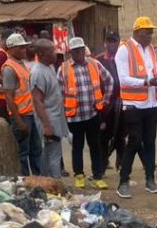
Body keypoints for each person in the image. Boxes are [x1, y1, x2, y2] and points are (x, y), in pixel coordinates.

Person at [114, 16, 157, 199]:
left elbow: (155, 74)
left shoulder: (150, 49)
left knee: (150, 143)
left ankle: (150, 179)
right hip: (133, 104)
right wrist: (145, 82)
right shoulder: (124, 50)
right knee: (134, 141)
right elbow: (123, 78)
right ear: (136, 32)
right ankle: (123, 182)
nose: (150, 36)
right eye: (146, 32)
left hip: (151, 104)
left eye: (151, 32)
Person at [60, 36, 114, 189]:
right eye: (76, 51)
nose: (79, 53)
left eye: (81, 50)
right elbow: (59, 92)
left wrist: (106, 100)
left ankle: (97, 176)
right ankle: (79, 176)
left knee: (95, 146)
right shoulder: (63, 69)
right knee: (77, 147)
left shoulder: (94, 64)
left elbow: (109, 80)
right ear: (71, 52)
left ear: (84, 50)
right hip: (74, 117)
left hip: (92, 114)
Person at [1, 33, 42, 175]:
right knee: (23, 154)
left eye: (24, 48)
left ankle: (38, 180)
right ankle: (25, 182)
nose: (23, 51)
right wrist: (19, 122)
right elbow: (9, 97)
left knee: (36, 150)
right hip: (22, 117)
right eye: (20, 48)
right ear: (11, 49)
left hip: (30, 114)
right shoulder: (9, 69)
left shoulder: (20, 64)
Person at [29, 39, 69, 178]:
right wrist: (46, 126)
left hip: (55, 117)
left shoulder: (49, 67)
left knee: (47, 153)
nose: (55, 54)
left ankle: (45, 181)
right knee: (54, 155)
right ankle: (57, 186)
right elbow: (37, 101)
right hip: (49, 119)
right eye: (51, 51)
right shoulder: (38, 73)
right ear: (41, 53)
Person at [97, 32, 124, 172]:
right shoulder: (99, 61)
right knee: (103, 137)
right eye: (109, 41)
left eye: (114, 41)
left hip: (121, 104)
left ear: (118, 42)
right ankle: (101, 167)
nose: (111, 44)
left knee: (120, 136)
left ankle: (121, 165)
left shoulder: (122, 59)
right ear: (105, 43)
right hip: (105, 106)